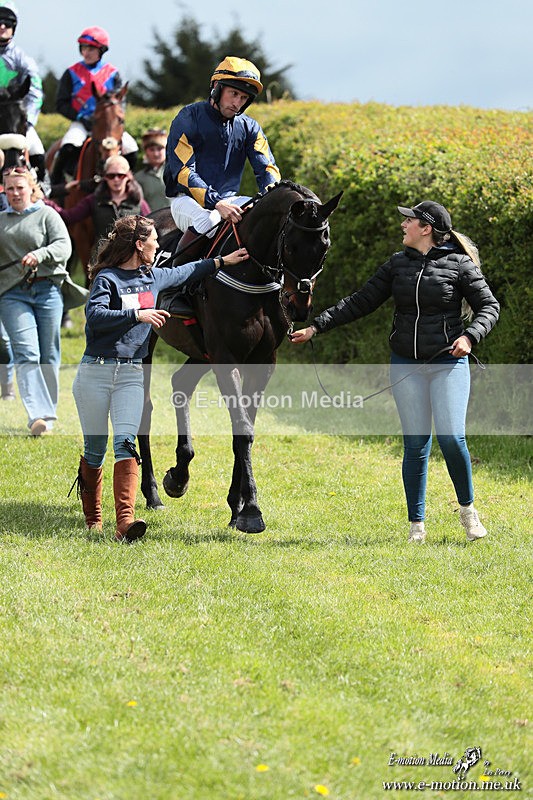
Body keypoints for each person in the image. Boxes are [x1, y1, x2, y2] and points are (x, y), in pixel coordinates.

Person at [291, 201, 500, 543]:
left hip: (448, 364)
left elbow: (489, 306)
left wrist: (469, 336)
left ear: (426, 228)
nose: (403, 225)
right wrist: (317, 327)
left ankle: (468, 511)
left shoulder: (459, 265)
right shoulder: (397, 265)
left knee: (450, 438)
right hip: (406, 364)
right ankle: (416, 527)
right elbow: (360, 301)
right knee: (416, 444)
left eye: (409, 220)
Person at [71, 213, 248, 542]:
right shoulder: (106, 279)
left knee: (125, 442)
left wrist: (223, 260)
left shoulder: (153, 277)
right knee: (95, 449)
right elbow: (94, 317)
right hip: (95, 371)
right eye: (152, 240)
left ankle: (125, 523)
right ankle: (93, 518)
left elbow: (186, 271)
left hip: (130, 375)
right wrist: (137, 314)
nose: (157, 244)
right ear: (139, 245)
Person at [164, 56, 280, 250]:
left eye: (243, 98)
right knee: (208, 222)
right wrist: (216, 202)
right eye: (233, 93)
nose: (237, 103)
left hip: (229, 199)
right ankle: (177, 276)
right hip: (186, 201)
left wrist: (274, 197)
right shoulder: (188, 118)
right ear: (217, 88)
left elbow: (267, 166)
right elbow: (184, 172)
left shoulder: (250, 127)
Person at [0, 165, 72, 434]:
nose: (16, 193)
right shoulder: (1, 220)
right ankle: (37, 415)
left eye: (20, 187)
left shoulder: (47, 214)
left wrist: (40, 255)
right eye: (10, 188)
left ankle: (49, 413)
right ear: (4, 191)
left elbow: (64, 247)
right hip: (12, 294)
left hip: (47, 290)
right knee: (26, 352)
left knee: (48, 353)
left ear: (31, 188)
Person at [51, 26, 138, 184]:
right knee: (68, 146)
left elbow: (120, 103)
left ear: (101, 50)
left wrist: (114, 122)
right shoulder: (71, 73)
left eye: (91, 49)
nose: (86, 52)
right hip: (82, 122)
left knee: (132, 148)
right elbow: (60, 103)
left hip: (108, 126)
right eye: (83, 48)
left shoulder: (113, 73)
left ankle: (130, 184)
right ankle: (54, 186)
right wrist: (80, 117)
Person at [47, 154, 150, 260]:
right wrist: (44, 201)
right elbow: (68, 217)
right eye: (111, 176)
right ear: (105, 176)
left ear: (128, 176)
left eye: (121, 175)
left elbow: (150, 230)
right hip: (103, 260)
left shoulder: (138, 202)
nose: (116, 179)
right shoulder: (93, 200)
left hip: (132, 260)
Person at [0, 1, 46, 181]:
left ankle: (43, 186)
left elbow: (35, 92)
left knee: (37, 151)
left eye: (7, 23)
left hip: (14, 120)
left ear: (14, 27)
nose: (2, 26)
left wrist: (28, 122)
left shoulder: (23, 59)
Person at [134, 128, 170, 211]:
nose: (156, 153)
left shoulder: (176, 173)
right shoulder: (138, 178)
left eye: (159, 149)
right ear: (146, 152)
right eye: (152, 149)